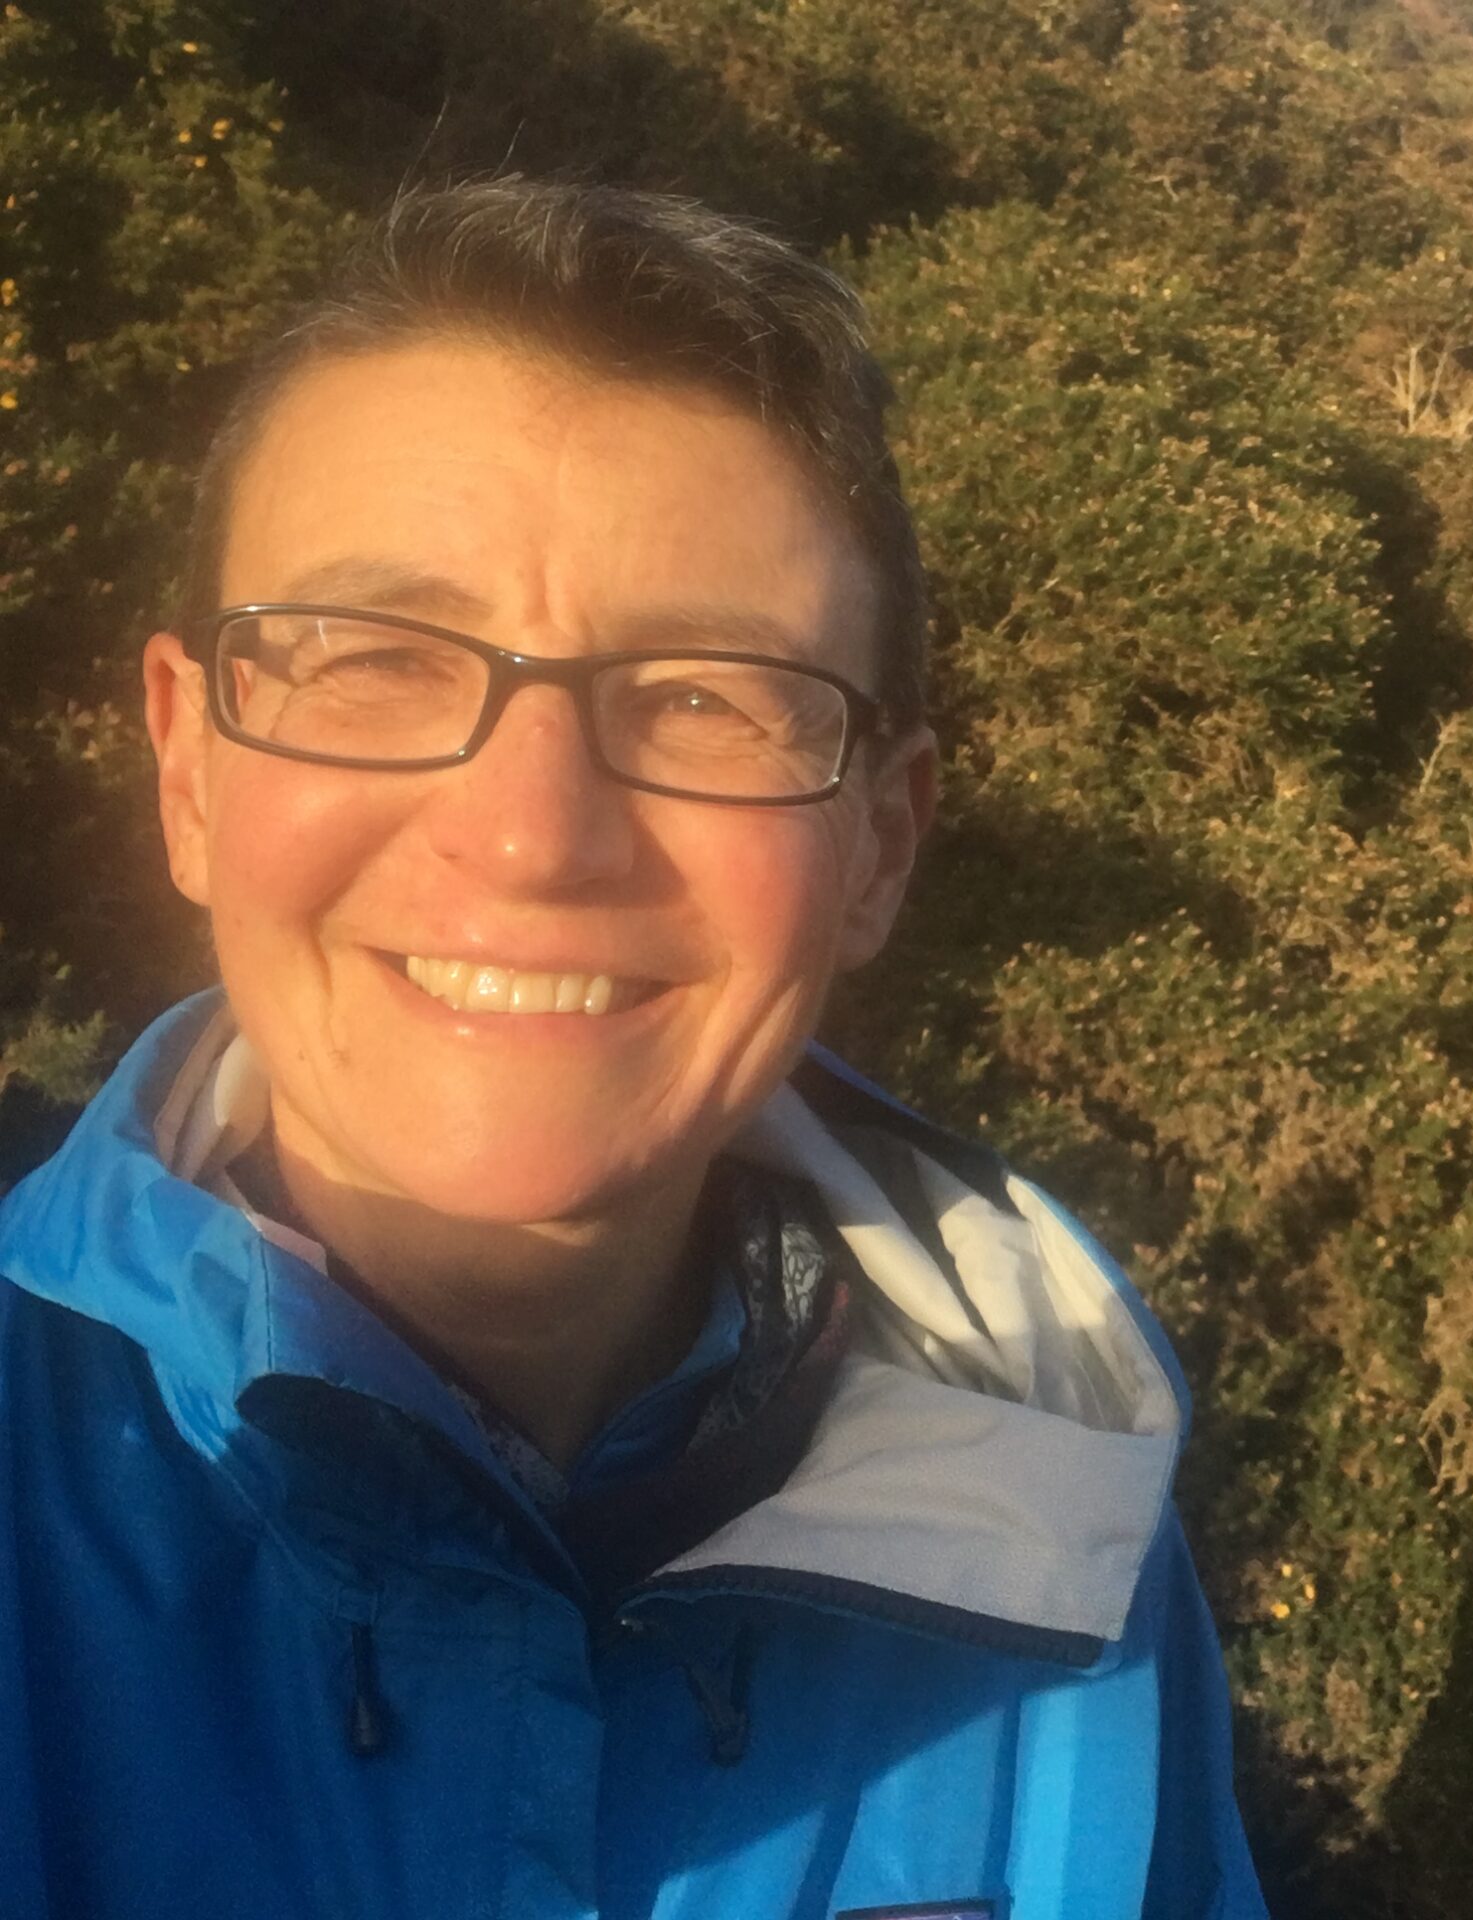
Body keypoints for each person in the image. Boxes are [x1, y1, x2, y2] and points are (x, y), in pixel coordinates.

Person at [0, 178, 1266, 1919]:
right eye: (372, 660)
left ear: (879, 848)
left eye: (702, 697)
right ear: (191, 772)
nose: (534, 837)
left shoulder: (1057, 1514)